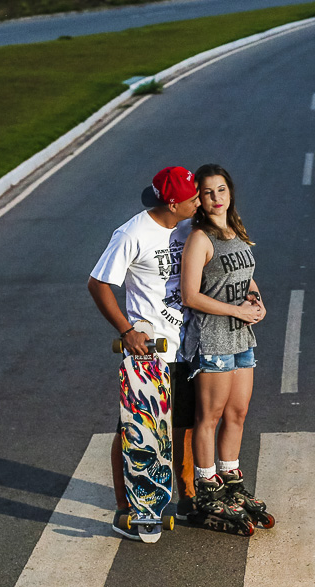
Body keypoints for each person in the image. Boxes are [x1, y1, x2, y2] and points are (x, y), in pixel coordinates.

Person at [87, 166, 199, 543]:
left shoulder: (187, 227)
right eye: (192, 197)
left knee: (184, 426)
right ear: (172, 202)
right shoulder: (132, 233)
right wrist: (127, 330)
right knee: (135, 433)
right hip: (150, 353)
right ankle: (126, 509)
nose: (198, 201)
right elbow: (98, 283)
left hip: (187, 346)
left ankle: (188, 498)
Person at [179, 164, 274, 533]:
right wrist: (236, 309)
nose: (216, 198)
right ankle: (207, 490)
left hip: (241, 337)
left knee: (238, 413)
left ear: (229, 192)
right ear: (199, 199)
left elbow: (246, 275)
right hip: (214, 338)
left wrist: (257, 300)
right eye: (208, 192)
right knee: (210, 417)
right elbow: (190, 295)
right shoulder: (200, 239)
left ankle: (231, 482)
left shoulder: (236, 231)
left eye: (221, 190)